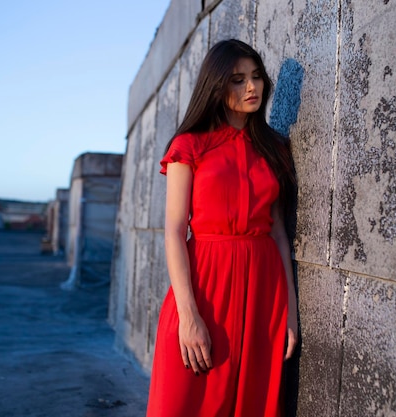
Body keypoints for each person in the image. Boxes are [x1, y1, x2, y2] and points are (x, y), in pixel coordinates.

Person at [146, 39, 298, 417]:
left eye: (257, 77)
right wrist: (188, 316)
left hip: (262, 294)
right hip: (205, 291)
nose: (252, 87)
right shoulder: (189, 145)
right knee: (183, 403)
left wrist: (290, 314)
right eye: (237, 79)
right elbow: (174, 231)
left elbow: (279, 234)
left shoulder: (274, 148)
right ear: (216, 86)